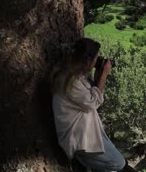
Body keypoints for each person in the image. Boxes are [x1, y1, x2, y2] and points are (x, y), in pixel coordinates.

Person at [51, 38, 132, 172]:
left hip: (87, 136)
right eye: (95, 58)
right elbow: (93, 103)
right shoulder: (68, 81)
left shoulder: (76, 77)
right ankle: (81, 162)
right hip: (79, 141)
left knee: (121, 166)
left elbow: (91, 98)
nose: (97, 61)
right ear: (87, 60)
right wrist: (104, 75)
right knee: (119, 164)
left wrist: (98, 76)